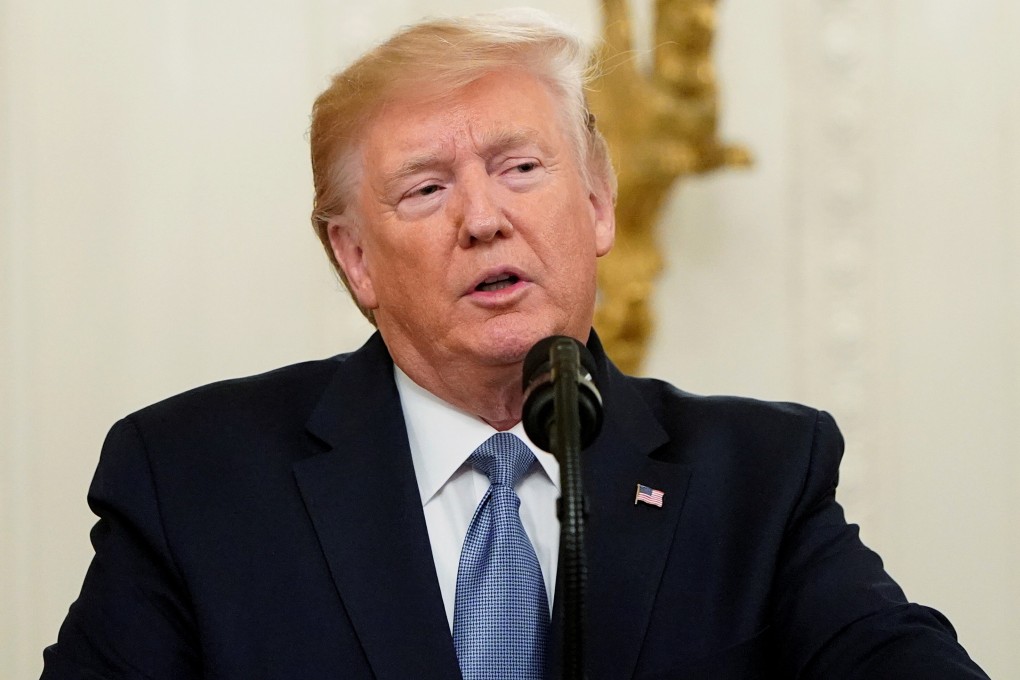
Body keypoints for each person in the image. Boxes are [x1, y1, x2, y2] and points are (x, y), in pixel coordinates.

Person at [42, 9, 988, 680]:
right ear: (356, 259)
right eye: (425, 189)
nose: (483, 218)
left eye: (520, 167)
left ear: (597, 201)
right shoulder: (194, 479)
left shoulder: (762, 480)